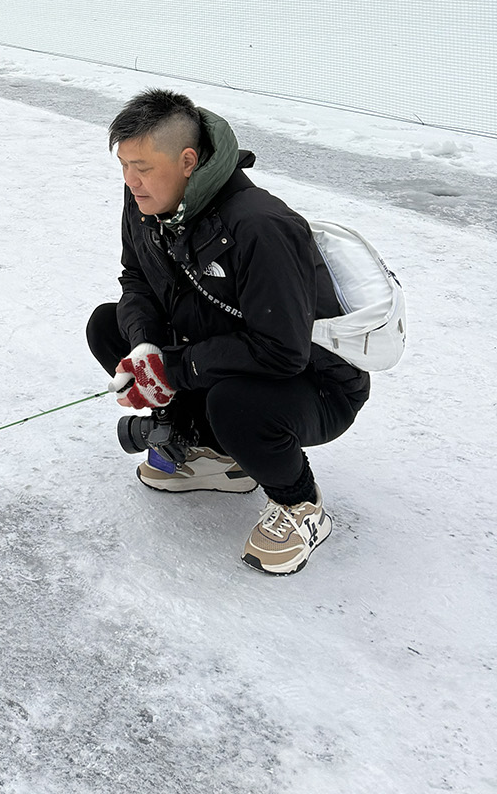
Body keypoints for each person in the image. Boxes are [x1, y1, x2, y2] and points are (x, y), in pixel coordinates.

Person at [87, 89, 368, 576]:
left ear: (188, 161)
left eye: (143, 167)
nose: (131, 181)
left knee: (235, 404)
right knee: (109, 326)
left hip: (315, 382)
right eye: (124, 166)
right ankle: (215, 454)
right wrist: (146, 347)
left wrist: (175, 368)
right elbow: (137, 280)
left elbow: (283, 351)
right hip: (223, 348)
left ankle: (300, 503)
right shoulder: (146, 201)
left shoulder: (261, 225)